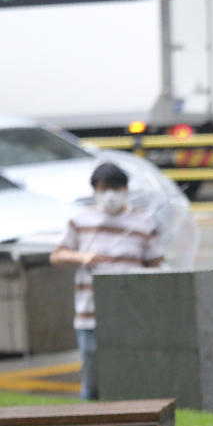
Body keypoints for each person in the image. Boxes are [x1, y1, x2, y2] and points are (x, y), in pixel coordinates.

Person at [50, 162, 164, 400]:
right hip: (89, 312)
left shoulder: (144, 222)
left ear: (125, 190)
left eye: (116, 188)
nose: (110, 194)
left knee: (131, 375)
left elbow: (155, 265)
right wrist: (82, 256)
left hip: (131, 312)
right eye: (104, 188)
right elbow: (57, 256)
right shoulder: (80, 220)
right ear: (94, 191)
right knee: (92, 377)